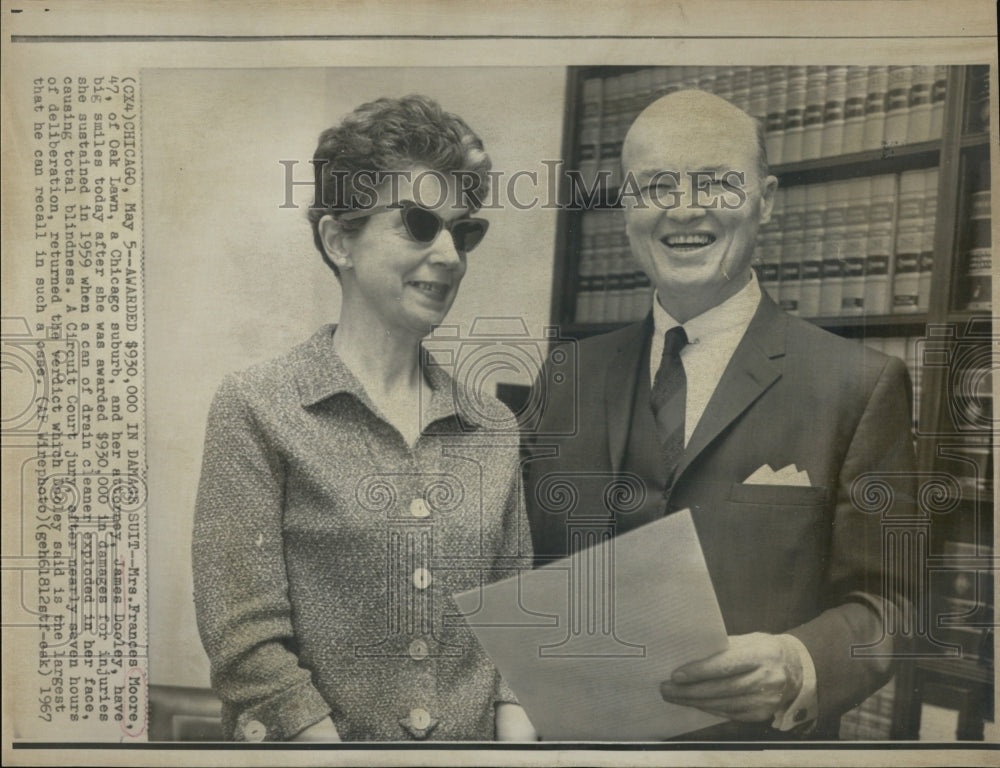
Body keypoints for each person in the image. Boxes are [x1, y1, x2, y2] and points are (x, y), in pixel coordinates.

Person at [525, 89, 916, 740]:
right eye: (656, 186)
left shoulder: (860, 386)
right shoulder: (564, 377)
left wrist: (799, 663)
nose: (684, 209)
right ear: (626, 208)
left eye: (716, 182)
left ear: (766, 200)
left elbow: (891, 606)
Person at [192, 95, 536, 742]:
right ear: (337, 240)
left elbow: (515, 636)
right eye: (419, 224)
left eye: (463, 232)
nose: (450, 255)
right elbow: (246, 646)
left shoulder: (492, 425)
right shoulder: (257, 407)